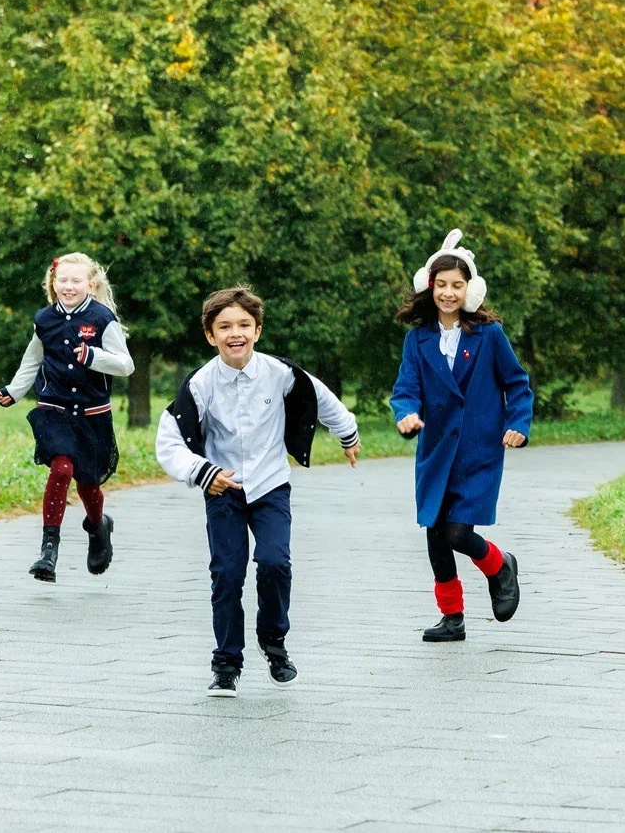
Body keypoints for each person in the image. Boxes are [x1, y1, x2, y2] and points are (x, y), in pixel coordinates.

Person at [156, 286, 360, 697]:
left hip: (270, 486)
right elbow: (169, 441)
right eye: (225, 327)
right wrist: (201, 471)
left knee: (273, 563)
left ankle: (275, 643)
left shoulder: (280, 373)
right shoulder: (199, 385)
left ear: (258, 330)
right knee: (227, 574)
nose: (236, 333)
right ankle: (226, 663)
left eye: (244, 325)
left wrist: (347, 434)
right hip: (223, 488)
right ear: (211, 336)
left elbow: (320, 398)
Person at [390, 229, 532, 643]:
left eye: (457, 285)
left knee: (457, 533)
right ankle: (452, 619)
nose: (448, 293)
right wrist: (407, 415)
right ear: (428, 286)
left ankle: (499, 565)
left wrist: (518, 425)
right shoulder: (417, 340)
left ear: (471, 289)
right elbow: (406, 389)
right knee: (435, 535)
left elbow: (518, 384)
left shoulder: (488, 335)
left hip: (478, 451)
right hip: (435, 452)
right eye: (441, 285)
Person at [0, 252, 134, 582]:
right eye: (63, 281)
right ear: (53, 283)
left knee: (87, 483)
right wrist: (14, 391)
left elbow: (126, 365)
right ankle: (48, 550)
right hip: (54, 409)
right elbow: (32, 360)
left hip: (92, 414)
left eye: (76, 281)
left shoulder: (102, 319)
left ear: (91, 284)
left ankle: (98, 525)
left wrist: (93, 356)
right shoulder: (44, 319)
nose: (68, 287)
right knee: (61, 469)